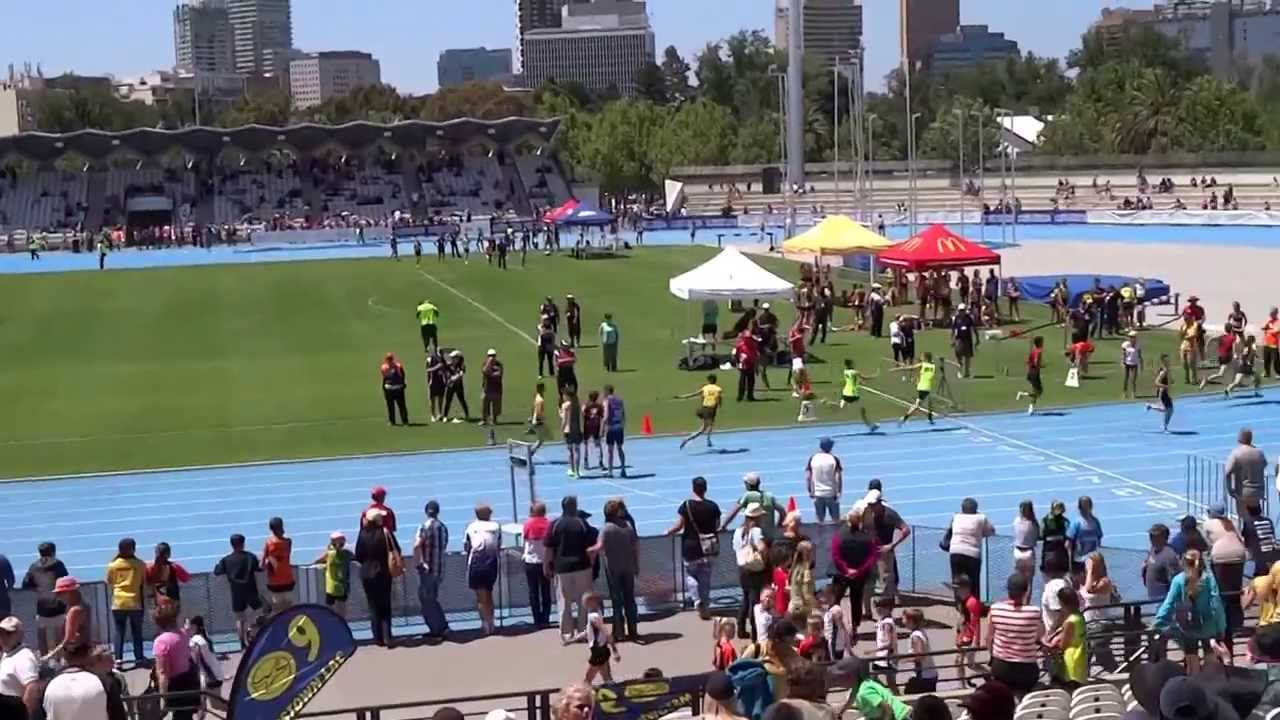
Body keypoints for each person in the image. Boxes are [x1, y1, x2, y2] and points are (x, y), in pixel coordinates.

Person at [1154, 550, 1229, 672]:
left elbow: (1169, 603)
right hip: (1208, 626)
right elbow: (1216, 605)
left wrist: (1158, 621)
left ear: (1183, 562)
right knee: (1211, 662)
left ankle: (1194, 684)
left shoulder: (1178, 580)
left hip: (1187, 626)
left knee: (1191, 661)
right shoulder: (1209, 579)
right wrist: (1221, 627)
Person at [665, 477, 721, 620]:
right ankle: (706, 603)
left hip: (691, 546)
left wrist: (669, 531)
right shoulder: (713, 506)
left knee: (691, 574)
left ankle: (696, 599)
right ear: (705, 488)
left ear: (693, 488)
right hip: (708, 547)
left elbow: (679, 526)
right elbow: (717, 526)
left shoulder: (687, 506)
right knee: (705, 577)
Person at [547, 496, 596, 643]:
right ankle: (583, 631)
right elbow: (590, 548)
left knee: (564, 601)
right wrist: (591, 563)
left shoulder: (555, 524)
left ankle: (566, 634)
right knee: (584, 600)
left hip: (562, 569)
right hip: (582, 566)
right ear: (574, 507)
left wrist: (546, 565)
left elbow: (549, 548)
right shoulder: (582, 523)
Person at [987, 573, 1045, 692]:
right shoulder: (1034, 612)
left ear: (1008, 590)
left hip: (1001, 667)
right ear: (1026, 591)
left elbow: (988, 638)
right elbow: (1040, 636)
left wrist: (993, 656)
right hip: (1026, 670)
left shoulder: (995, 609)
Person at [594, 499, 639, 642]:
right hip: (628, 567)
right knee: (629, 600)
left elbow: (599, 546)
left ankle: (618, 631)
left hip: (613, 569)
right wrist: (636, 565)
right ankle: (633, 630)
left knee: (617, 601)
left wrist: (588, 551)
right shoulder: (628, 526)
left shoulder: (606, 528)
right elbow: (636, 548)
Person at [355, 509, 400, 647]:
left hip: (367, 574)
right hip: (383, 573)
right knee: (385, 605)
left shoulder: (362, 534)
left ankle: (377, 637)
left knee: (373, 606)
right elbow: (396, 549)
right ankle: (388, 636)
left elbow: (358, 555)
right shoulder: (385, 533)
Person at [152, 599, 201, 720]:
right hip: (189, 682)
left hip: (175, 686)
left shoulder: (161, 642)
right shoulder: (183, 635)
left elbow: (163, 673)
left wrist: (163, 698)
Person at [830, 509, 878, 629]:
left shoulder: (839, 536)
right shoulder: (867, 537)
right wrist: (859, 571)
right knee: (856, 601)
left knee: (836, 599)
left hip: (841, 574)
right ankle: (855, 626)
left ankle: (832, 623)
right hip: (859, 576)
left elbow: (836, 555)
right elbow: (872, 557)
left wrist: (846, 570)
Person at [213, 534, 262, 650]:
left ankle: (241, 641)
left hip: (236, 592)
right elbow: (259, 568)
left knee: (239, 617)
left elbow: (217, 571)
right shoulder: (250, 557)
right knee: (260, 612)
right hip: (251, 590)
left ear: (231, 545)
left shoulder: (226, 560)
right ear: (243, 544)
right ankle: (251, 630)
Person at [105, 538, 146, 667]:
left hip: (118, 602)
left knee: (119, 631)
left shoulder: (113, 565)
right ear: (133, 549)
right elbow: (143, 581)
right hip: (135, 601)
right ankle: (139, 658)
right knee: (137, 632)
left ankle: (118, 659)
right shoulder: (140, 564)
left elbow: (109, 581)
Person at [22, 542, 68, 658]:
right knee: (60, 637)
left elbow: (26, 584)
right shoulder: (58, 565)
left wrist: (38, 588)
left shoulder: (34, 566)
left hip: (42, 608)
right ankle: (60, 660)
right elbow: (66, 581)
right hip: (58, 606)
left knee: (42, 637)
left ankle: (43, 661)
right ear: (53, 552)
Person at [946, 497, 995, 601]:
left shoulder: (956, 517)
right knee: (973, 582)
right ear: (975, 508)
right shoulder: (981, 518)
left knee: (957, 582)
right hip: (972, 553)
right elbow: (991, 531)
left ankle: (960, 606)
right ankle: (973, 607)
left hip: (955, 551)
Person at [414, 500, 450, 639]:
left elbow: (417, 545)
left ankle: (438, 628)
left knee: (426, 600)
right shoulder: (443, 528)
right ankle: (441, 626)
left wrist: (418, 562)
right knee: (432, 598)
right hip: (439, 568)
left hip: (427, 569)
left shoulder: (424, 526)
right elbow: (444, 546)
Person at [733, 503, 769, 640]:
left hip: (742, 569)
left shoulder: (738, 531)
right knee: (755, 602)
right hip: (755, 570)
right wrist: (765, 560)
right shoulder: (756, 531)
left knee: (745, 598)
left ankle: (741, 628)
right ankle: (755, 632)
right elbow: (762, 548)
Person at [464, 504, 501, 636]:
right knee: (489, 593)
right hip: (491, 563)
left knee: (480, 596)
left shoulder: (471, 527)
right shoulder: (496, 526)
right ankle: (491, 622)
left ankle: (485, 624)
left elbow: (467, 547)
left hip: (476, 563)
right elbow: (498, 544)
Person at [835, 656, 908, 720]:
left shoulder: (865, 691)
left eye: (842, 677)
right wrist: (840, 713)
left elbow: (887, 709)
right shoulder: (857, 687)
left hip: (898, 717)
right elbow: (850, 700)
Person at [1042, 586, 1087, 688]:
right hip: (1080, 656)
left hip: (1070, 660)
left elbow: (1063, 646)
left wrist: (1048, 645)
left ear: (1062, 602)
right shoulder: (1080, 617)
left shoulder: (1069, 622)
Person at [522, 502, 553, 628]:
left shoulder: (528, 524)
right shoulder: (549, 524)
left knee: (533, 591)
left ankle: (537, 620)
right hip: (545, 561)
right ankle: (545, 618)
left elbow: (525, 540)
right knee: (546, 591)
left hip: (531, 561)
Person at [1225, 428, 1268, 519]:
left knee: (1244, 517)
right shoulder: (1259, 452)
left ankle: (1248, 531)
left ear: (1239, 439)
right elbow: (1264, 464)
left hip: (1243, 491)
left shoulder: (1236, 453)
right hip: (1258, 490)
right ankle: (1258, 530)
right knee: (1255, 515)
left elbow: (1227, 472)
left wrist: (1230, 489)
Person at [0, 616, 37, 717]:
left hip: (14, 712)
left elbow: (31, 688)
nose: (3, 637)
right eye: (1, 633)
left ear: (19, 635)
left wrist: (24, 715)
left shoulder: (24, 657)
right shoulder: (6, 654)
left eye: (8, 634)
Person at [313, 532, 354, 620]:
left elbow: (319, 560)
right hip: (343, 587)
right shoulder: (347, 554)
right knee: (341, 612)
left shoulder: (329, 554)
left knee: (329, 611)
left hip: (331, 588)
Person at [582, 593, 620, 685]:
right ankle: (612, 688)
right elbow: (588, 632)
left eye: (586, 602)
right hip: (602, 649)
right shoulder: (596, 614)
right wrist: (572, 640)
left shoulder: (593, 616)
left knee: (588, 679)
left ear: (594, 603)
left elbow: (605, 632)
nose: (583, 604)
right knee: (606, 675)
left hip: (598, 650)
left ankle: (584, 693)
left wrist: (615, 650)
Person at [677, 373, 722, 450]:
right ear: (715, 380)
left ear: (709, 380)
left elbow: (694, 394)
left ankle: (708, 440)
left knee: (709, 425)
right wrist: (719, 405)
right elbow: (718, 399)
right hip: (710, 410)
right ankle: (688, 440)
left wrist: (682, 396)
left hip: (703, 409)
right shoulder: (718, 389)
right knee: (704, 429)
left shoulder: (705, 387)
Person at [805, 438, 843, 524]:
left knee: (819, 521)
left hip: (818, 494)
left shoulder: (813, 458)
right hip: (831, 494)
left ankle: (820, 537)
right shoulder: (834, 459)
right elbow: (838, 477)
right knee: (836, 521)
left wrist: (810, 490)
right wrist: (839, 491)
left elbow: (808, 477)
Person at [1066, 495, 1103, 581]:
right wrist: (1070, 564)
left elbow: (1099, 539)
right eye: (1084, 506)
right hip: (1080, 561)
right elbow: (1068, 544)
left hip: (1092, 560)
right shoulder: (1076, 523)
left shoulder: (1095, 521)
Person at [835, 359, 879, 431]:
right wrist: (875, 375)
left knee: (840, 407)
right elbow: (864, 377)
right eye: (852, 363)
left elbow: (852, 380)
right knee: (862, 410)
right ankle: (870, 425)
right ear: (851, 364)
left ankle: (827, 403)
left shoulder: (845, 371)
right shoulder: (854, 372)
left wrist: (859, 382)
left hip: (845, 393)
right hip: (853, 394)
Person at [1143, 524, 1182, 603]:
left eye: (1153, 536)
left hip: (1163, 600)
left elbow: (1175, 581)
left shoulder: (1169, 555)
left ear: (1163, 537)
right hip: (1152, 598)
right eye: (1150, 535)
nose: (1150, 538)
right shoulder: (1153, 549)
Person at [261, 517, 294, 610]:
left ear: (271, 529)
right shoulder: (288, 542)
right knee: (289, 610)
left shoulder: (268, 543)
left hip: (274, 582)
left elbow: (262, 565)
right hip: (288, 580)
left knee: (278, 611)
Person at [146, 542, 191, 609]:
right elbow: (186, 579)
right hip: (172, 603)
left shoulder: (149, 567)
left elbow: (146, 582)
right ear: (168, 554)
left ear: (155, 553)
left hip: (156, 604)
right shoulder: (174, 566)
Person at [902, 608, 937, 694]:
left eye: (904, 619)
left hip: (924, 676)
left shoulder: (916, 636)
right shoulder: (921, 632)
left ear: (910, 621)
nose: (902, 621)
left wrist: (904, 660)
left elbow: (920, 655)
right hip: (929, 674)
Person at [897, 352, 937, 425]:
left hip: (923, 386)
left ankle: (905, 417)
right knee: (918, 405)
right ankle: (905, 417)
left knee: (924, 404)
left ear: (925, 358)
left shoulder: (923, 365)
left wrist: (902, 367)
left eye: (922, 357)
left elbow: (912, 368)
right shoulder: (933, 366)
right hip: (926, 387)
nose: (921, 358)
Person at [601, 385, 627, 478]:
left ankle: (610, 471)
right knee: (620, 448)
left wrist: (603, 428)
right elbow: (623, 413)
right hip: (619, 425)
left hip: (611, 426)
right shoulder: (619, 400)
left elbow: (606, 415)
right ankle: (623, 468)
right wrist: (622, 425)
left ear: (607, 391)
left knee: (610, 450)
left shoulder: (606, 401)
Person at [1144, 354, 1174, 432]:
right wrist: (1165, 386)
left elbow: (1170, 381)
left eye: (1168, 360)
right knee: (1168, 409)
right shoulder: (1163, 372)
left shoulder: (1168, 370)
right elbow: (1156, 382)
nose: (1168, 362)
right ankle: (1165, 427)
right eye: (1166, 360)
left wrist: (1171, 382)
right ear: (1163, 362)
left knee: (1168, 410)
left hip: (1167, 393)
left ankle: (1150, 405)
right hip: (1163, 393)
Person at [1015, 336, 1045, 414]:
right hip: (1035, 373)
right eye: (1042, 342)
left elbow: (1027, 361)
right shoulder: (1039, 351)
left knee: (1036, 391)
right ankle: (1022, 393)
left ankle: (1031, 408)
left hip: (1030, 372)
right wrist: (1040, 365)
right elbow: (1036, 362)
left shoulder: (1033, 351)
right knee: (1039, 391)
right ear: (1040, 343)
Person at [1012, 500, 1040, 581]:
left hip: (1017, 552)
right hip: (1029, 553)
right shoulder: (1034, 523)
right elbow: (1037, 536)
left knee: (1018, 579)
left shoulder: (1016, 521)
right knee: (1029, 580)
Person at [380, 352, 409, 426]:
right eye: (388, 359)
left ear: (392, 359)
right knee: (390, 406)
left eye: (390, 359)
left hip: (398, 388)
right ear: (386, 360)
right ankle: (392, 421)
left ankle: (405, 421)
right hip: (389, 389)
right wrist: (384, 387)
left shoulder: (398, 366)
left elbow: (402, 376)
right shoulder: (383, 367)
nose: (389, 360)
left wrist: (402, 385)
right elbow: (384, 378)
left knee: (402, 406)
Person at [560, 390, 583, 478]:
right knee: (577, 451)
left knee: (570, 451)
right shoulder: (577, 405)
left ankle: (572, 469)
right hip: (577, 430)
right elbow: (581, 418)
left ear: (567, 396)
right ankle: (577, 472)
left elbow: (564, 420)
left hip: (568, 431)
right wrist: (581, 430)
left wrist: (561, 430)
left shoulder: (565, 405)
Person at [443, 350, 470, 423]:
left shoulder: (461, 366)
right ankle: (445, 416)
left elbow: (461, 374)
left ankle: (467, 415)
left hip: (458, 386)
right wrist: (449, 379)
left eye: (454, 357)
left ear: (458, 358)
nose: (452, 359)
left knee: (462, 400)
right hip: (450, 386)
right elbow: (446, 373)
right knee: (448, 401)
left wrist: (453, 378)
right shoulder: (449, 365)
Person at [582, 390, 605, 472]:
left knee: (586, 444)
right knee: (598, 445)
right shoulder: (599, 406)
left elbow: (583, 413)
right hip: (596, 426)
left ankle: (586, 461)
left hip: (587, 426)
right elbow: (602, 416)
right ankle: (600, 462)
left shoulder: (586, 405)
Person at [735, 330, 760, 402]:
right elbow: (736, 354)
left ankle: (750, 396)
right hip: (743, 365)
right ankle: (740, 396)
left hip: (751, 365)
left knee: (751, 381)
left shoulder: (754, 345)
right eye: (747, 338)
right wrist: (737, 362)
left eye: (749, 338)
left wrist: (756, 366)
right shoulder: (740, 345)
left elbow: (756, 355)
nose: (748, 339)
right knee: (742, 381)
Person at [952, 304, 976, 378]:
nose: (961, 312)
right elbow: (953, 330)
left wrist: (977, 338)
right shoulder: (956, 318)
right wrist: (952, 340)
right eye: (960, 310)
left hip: (968, 339)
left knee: (967, 356)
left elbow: (973, 328)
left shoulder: (969, 318)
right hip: (959, 339)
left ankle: (967, 371)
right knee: (959, 355)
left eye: (962, 310)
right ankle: (959, 371)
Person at [480, 349, 504, 427]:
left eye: (493, 356)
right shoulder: (485, 364)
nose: (492, 357)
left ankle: (494, 420)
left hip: (496, 388)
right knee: (484, 405)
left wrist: (489, 374)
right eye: (490, 356)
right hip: (486, 388)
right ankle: (484, 420)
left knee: (495, 406)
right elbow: (484, 371)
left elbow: (498, 374)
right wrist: (489, 364)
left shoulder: (499, 364)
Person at [426, 350, 448, 423]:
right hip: (433, 382)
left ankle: (440, 414)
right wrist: (437, 367)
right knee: (432, 399)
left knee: (440, 398)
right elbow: (428, 370)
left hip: (441, 382)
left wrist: (446, 379)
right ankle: (432, 415)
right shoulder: (429, 360)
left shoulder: (443, 359)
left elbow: (445, 369)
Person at [529, 382, 549, 457]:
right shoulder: (540, 400)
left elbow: (533, 408)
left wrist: (532, 417)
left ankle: (531, 451)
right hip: (538, 421)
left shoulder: (537, 397)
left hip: (535, 420)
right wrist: (541, 419)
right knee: (540, 441)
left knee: (542, 438)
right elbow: (539, 411)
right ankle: (530, 452)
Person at [1121, 331, 1142, 400]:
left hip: (1134, 364)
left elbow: (1139, 355)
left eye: (1132, 337)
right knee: (1125, 378)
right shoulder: (1126, 345)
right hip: (1127, 363)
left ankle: (1133, 393)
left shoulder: (1138, 345)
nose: (1131, 338)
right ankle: (1124, 392)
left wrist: (1141, 363)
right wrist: (1123, 361)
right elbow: (1123, 354)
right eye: (1130, 337)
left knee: (1133, 379)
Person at [1264, 307, 1280, 378]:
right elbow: (1263, 327)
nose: (1271, 315)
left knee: (1276, 361)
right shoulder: (1268, 321)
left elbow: (1276, 331)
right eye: (1270, 313)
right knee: (1266, 359)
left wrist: (1268, 330)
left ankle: (1278, 373)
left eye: (1272, 313)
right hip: (1266, 343)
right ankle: (1267, 373)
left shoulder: (1278, 321)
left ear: (1276, 313)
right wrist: (1267, 325)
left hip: (1274, 344)